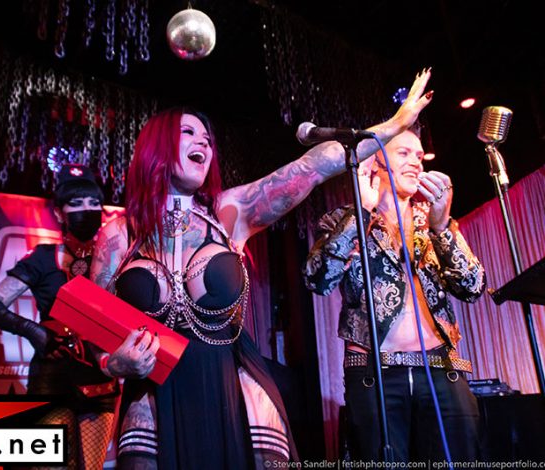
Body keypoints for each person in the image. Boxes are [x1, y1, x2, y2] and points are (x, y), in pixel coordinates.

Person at [91, 69, 434, 469]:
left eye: (207, 138)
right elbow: (95, 331)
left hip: (231, 389)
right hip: (153, 396)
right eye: (188, 133)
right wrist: (113, 364)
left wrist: (393, 126)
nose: (203, 142)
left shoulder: (228, 213)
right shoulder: (119, 234)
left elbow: (312, 167)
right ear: (157, 145)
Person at [303, 127, 486, 462]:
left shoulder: (432, 221)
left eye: (419, 156)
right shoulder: (342, 220)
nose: (416, 162)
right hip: (374, 373)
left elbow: (473, 287)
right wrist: (361, 213)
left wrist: (442, 227)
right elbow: (318, 279)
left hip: (441, 369)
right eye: (404, 153)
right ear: (374, 163)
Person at [0, 164, 117, 469]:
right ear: (59, 212)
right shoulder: (42, 257)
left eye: (94, 202)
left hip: (99, 378)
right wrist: (32, 331)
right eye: (76, 203)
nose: (86, 210)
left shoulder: (115, 258)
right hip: (52, 375)